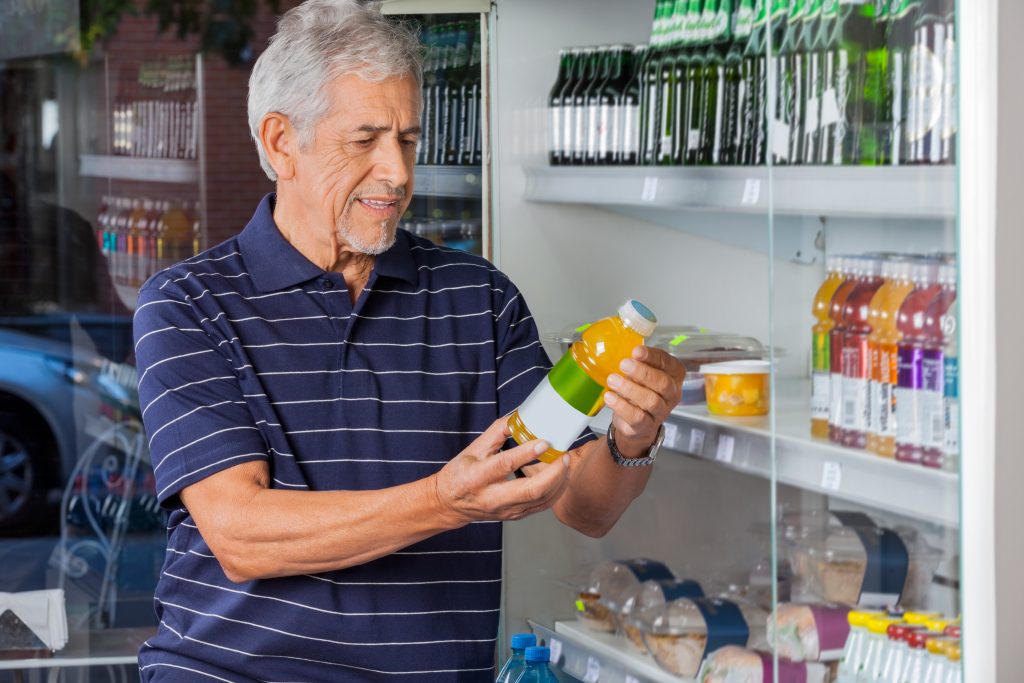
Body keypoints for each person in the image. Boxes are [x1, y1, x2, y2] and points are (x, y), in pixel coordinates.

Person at [133, 1, 685, 680]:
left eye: (409, 139)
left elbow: (584, 505)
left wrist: (632, 439)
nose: (396, 172)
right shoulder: (189, 304)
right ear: (281, 143)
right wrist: (443, 501)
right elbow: (241, 533)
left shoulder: (476, 298)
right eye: (364, 140)